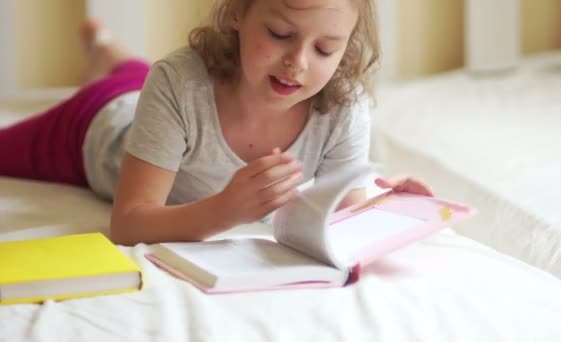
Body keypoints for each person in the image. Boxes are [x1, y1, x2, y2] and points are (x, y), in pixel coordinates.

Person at [0, 0, 433, 246]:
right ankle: (106, 59)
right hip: (96, 128)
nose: (298, 63)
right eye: (280, 34)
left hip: (151, 101)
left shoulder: (343, 105)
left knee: (135, 74)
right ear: (236, 13)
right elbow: (128, 224)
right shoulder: (177, 82)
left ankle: (105, 49)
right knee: (133, 85)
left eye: (325, 49)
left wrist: (386, 205)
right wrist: (225, 211)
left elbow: (346, 215)